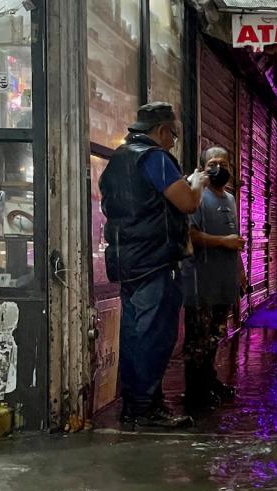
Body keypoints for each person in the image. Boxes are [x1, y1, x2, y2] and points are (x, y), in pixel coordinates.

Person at [100, 102, 208, 429]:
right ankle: (146, 407)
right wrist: (198, 182)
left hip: (128, 260)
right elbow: (187, 202)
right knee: (155, 337)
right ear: (161, 131)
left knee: (135, 334)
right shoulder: (154, 158)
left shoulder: (118, 158)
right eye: (172, 135)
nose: (173, 142)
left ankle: (136, 404)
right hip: (155, 260)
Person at [182, 146, 245, 412]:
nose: (218, 167)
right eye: (212, 162)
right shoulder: (196, 197)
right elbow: (191, 235)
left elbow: (236, 241)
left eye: (223, 162)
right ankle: (195, 393)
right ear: (203, 167)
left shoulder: (229, 199)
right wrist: (222, 242)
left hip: (223, 284)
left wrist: (241, 274)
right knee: (198, 340)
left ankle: (210, 382)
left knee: (214, 337)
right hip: (201, 283)